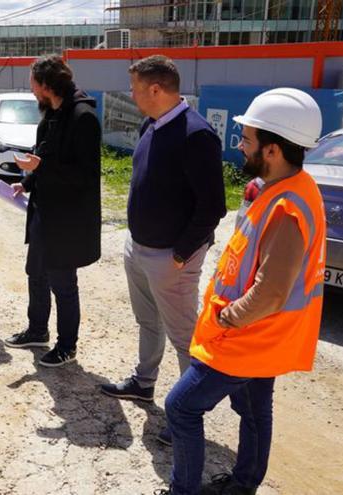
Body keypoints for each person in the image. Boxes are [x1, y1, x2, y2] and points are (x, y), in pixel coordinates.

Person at [159, 88, 325, 495]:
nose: (240, 145)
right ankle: (244, 483)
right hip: (264, 338)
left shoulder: (287, 208)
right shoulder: (286, 188)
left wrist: (226, 316)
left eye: (247, 139)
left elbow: (270, 293)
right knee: (253, 410)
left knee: (181, 407)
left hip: (249, 336)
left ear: (272, 150)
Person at [100, 56, 226, 445]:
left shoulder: (196, 134)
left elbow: (213, 207)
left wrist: (181, 253)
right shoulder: (152, 124)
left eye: (137, 88)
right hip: (138, 248)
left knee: (185, 337)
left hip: (171, 257)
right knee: (148, 322)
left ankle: (187, 417)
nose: (133, 95)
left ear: (156, 89)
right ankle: (144, 382)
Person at [2, 55, 102, 368]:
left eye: (33, 84)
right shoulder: (51, 114)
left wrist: (41, 167)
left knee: (63, 283)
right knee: (36, 273)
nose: (31, 90)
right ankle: (37, 330)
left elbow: (84, 175)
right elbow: (43, 157)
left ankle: (66, 346)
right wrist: (27, 182)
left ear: (47, 85)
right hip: (43, 212)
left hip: (67, 220)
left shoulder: (83, 117)